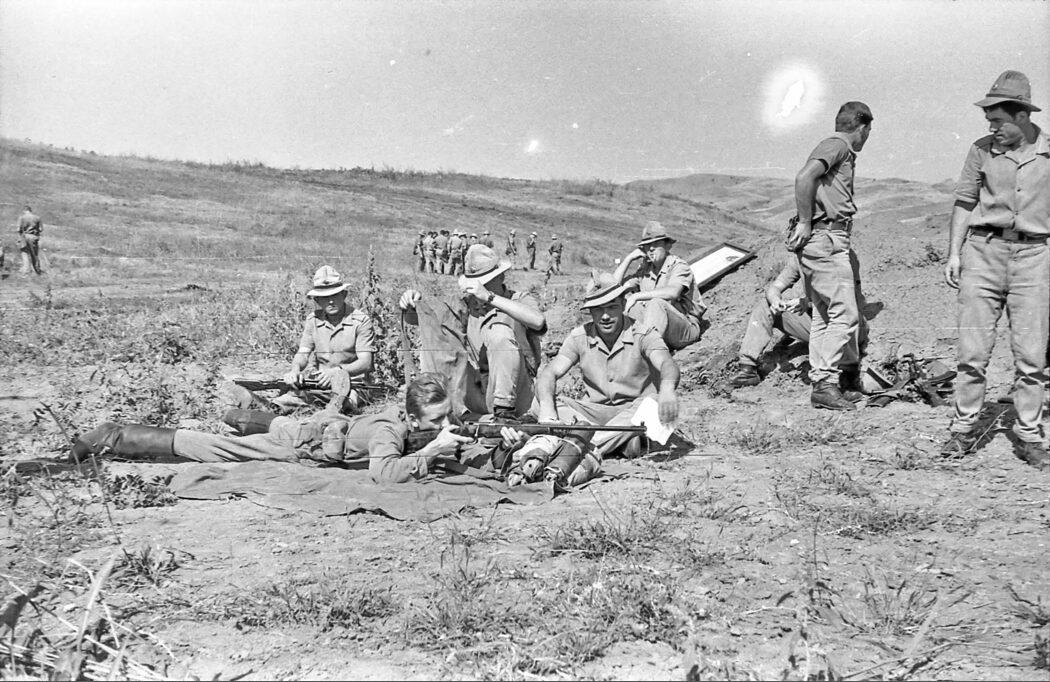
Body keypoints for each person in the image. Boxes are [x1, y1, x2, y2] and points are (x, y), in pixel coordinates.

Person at [72, 374, 525, 484]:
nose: (446, 427)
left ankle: (239, 412)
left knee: (280, 423)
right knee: (220, 448)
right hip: (303, 446)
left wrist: (501, 442)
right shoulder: (390, 430)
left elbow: (463, 438)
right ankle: (114, 435)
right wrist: (429, 452)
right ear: (411, 418)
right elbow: (383, 473)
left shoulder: (426, 420)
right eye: (436, 422)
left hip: (316, 426)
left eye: (447, 418)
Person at [941, 70, 1050, 470]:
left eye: (998, 120)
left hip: (1034, 257)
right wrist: (954, 254)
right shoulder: (980, 150)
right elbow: (964, 202)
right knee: (972, 352)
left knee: (1031, 356)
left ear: (1022, 116)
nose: (991, 128)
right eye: (989, 120)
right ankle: (964, 428)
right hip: (983, 254)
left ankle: (1030, 435)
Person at [515, 272, 679, 485]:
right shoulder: (579, 336)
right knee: (541, 401)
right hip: (594, 414)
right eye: (598, 309)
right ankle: (616, 442)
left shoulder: (643, 333)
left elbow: (667, 363)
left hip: (633, 412)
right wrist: (547, 410)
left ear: (623, 305)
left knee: (655, 403)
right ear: (590, 312)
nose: (605, 316)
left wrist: (667, 390)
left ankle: (581, 444)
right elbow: (550, 373)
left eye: (611, 307)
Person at [784, 101, 874, 411]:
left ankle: (825, 383)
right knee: (845, 315)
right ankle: (824, 384)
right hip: (827, 239)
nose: (867, 137)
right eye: (868, 131)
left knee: (824, 316)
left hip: (824, 239)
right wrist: (805, 221)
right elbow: (804, 177)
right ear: (862, 127)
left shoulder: (836, 147)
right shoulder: (837, 145)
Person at [400, 244, 546, 419]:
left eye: (485, 283)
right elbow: (422, 321)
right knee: (442, 337)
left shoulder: (518, 299)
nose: (479, 289)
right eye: (476, 285)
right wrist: (412, 305)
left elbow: (538, 322)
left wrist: (490, 298)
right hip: (478, 393)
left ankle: (504, 414)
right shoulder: (465, 305)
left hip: (516, 394)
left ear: (501, 277)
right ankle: (442, 412)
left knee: (499, 333)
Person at [224, 266, 375, 415]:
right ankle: (261, 407)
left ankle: (334, 410)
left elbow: (366, 362)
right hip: (320, 384)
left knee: (347, 403)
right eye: (324, 297)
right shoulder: (313, 320)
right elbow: (303, 353)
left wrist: (338, 372)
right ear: (317, 300)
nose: (330, 301)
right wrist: (295, 370)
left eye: (334, 295)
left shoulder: (360, 321)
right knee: (289, 399)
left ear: (344, 294)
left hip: (354, 384)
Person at [730, 258, 868, 390]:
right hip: (818, 323)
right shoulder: (800, 258)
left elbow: (844, 300)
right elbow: (775, 287)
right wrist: (775, 301)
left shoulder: (836, 256)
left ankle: (845, 378)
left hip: (847, 326)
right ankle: (748, 369)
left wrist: (807, 303)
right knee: (765, 306)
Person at [613, 221, 706, 352]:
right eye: (647, 245)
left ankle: (646, 352)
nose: (651, 249)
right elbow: (613, 287)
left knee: (656, 303)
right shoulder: (645, 269)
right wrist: (629, 259)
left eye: (656, 244)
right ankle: (628, 350)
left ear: (667, 245)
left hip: (684, 327)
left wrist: (637, 296)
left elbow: (673, 292)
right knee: (623, 301)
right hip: (658, 327)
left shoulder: (679, 266)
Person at [17, 205, 43, 275]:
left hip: (24, 236)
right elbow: (41, 229)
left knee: (24, 252)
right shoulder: (37, 218)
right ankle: (37, 270)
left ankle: (26, 270)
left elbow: (18, 229)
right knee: (34, 254)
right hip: (33, 237)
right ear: (30, 210)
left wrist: (21, 235)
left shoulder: (22, 217)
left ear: (24, 211)